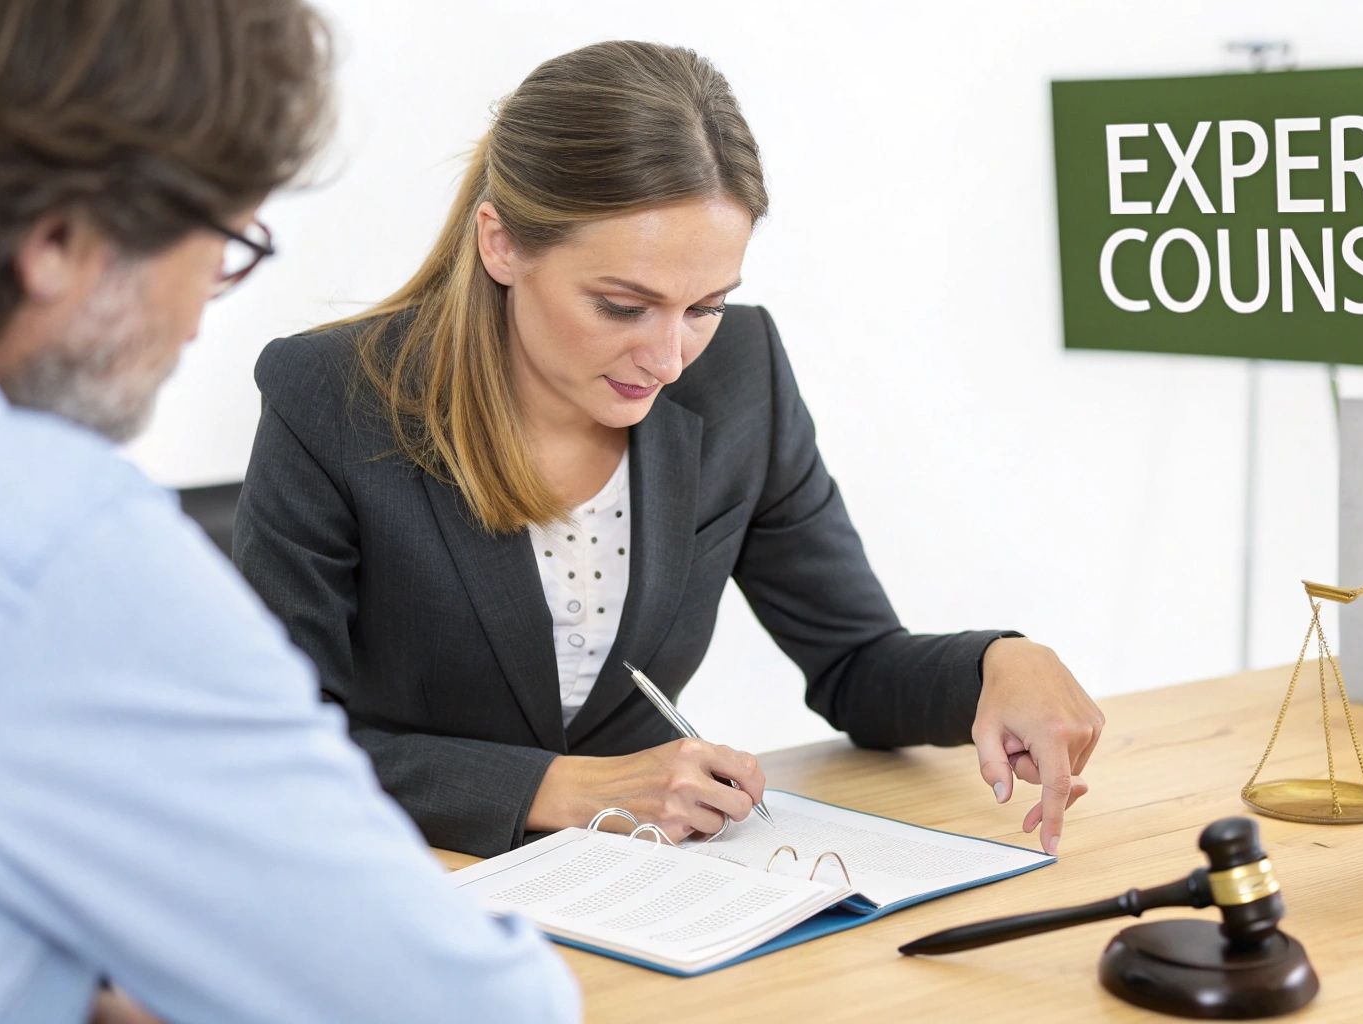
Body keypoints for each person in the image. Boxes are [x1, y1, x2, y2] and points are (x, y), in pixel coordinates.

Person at [234, 40, 1107, 861]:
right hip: (409, 873)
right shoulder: (333, 394)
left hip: (651, 888)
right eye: (622, 306)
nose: (668, 359)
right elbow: (269, 743)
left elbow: (854, 663)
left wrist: (997, 662)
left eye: (704, 306)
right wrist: (560, 789)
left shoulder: (740, 376)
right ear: (500, 244)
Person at [0, 3, 577, 1022]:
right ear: (59, 238)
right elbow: (477, 1010)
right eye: (222, 238)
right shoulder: (53, 546)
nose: (207, 303)